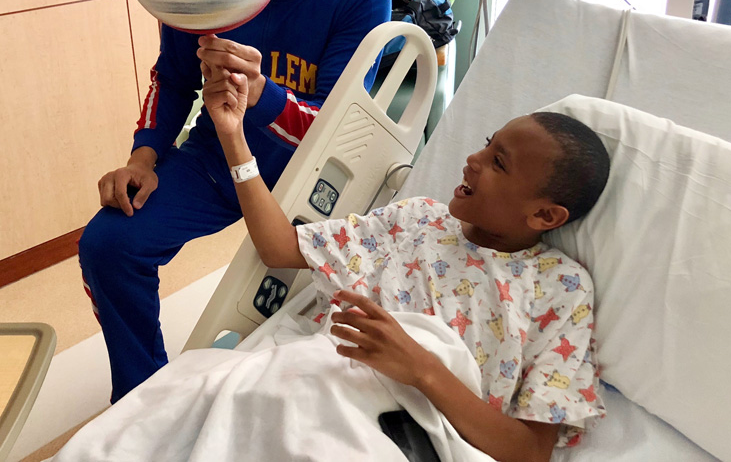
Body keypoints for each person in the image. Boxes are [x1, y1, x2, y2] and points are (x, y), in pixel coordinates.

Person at [79, 0, 392, 403]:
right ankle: (143, 399)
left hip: (303, 178)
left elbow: (334, 129)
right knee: (108, 244)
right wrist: (143, 157)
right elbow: (170, 79)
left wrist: (264, 93)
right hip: (214, 158)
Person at [196, 67, 611, 461]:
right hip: (322, 387)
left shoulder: (562, 289)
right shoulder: (417, 220)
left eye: (498, 162)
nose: (473, 158)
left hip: (416, 438)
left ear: (544, 216)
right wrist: (233, 137)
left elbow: (529, 453)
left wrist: (422, 369)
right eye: (487, 143)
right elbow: (280, 248)